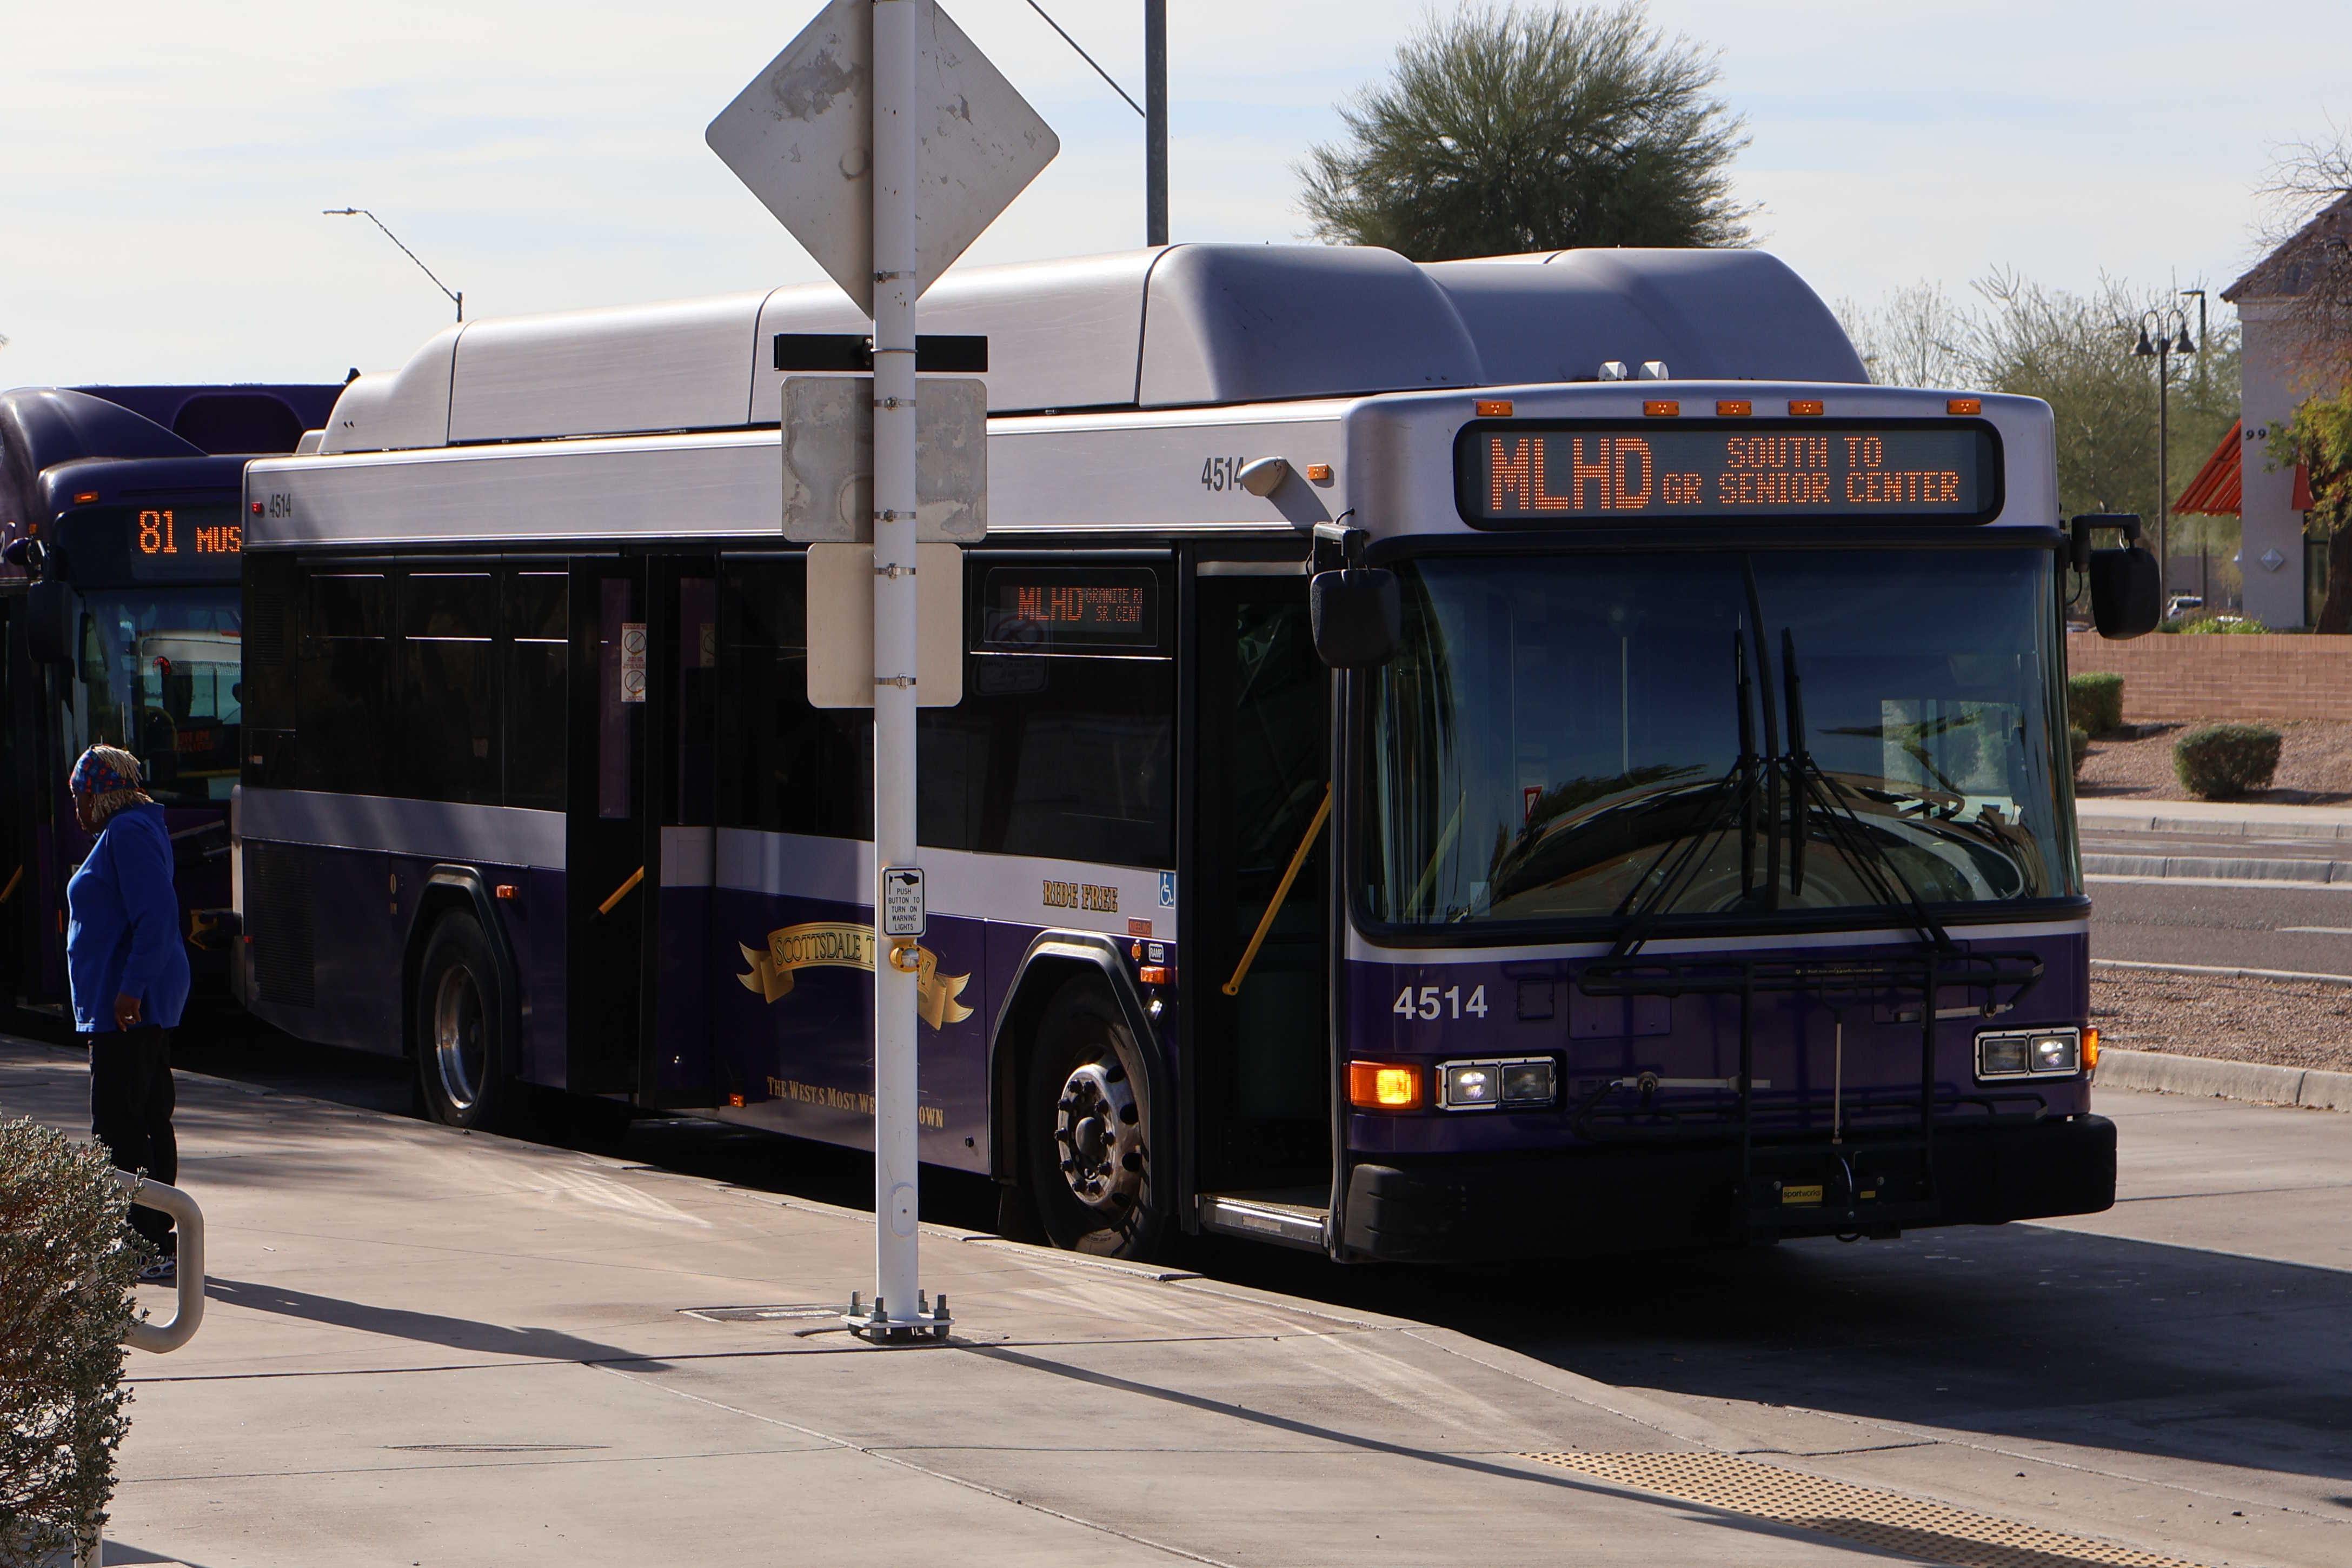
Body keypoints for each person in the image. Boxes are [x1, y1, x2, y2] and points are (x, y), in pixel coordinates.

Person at [66, 745, 190, 1284]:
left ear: (102, 793)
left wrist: (129, 990)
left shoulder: (127, 833)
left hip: (127, 1009)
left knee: (119, 1124)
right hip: (128, 1005)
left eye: (80, 796)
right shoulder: (132, 829)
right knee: (145, 1116)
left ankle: (144, 1243)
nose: (77, 809)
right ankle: (157, 1237)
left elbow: (156, 915)